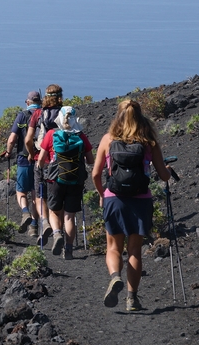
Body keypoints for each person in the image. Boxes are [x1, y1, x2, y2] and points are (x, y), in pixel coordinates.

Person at [91, 98, 172, 312]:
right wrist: (168, 170)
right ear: (140, 117)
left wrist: (102, 194)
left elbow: (95, 174)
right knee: (135, 250)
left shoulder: (108, 140)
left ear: (118, 116)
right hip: (141, 200)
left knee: (113, 247)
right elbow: (163, 176)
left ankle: (115, 277)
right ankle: (131, 299)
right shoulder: (148, 141)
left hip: (114, 199)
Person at [37, 106, 93, 259]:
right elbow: (90, 160)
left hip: (55, 179)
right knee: (69, 216)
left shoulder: (51, 134)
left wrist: (41, 171)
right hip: (75, 181)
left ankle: (56, 234)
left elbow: (41, 160)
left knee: (54, 211)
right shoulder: (81, 136)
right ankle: (68, 250)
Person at [25, 84, 64, 241]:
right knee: (58, 196)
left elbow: (28, 139)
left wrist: (32, 153)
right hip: (62, 160)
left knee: (41, 195)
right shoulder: (65, 112)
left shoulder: (38, 114)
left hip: (41, 159)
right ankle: (58, 231)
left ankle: (45, 222)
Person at [3, 91, 41, 237]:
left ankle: (25, 213)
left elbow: (12, 139)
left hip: (24, 159)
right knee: (36, 194)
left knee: (21, 191)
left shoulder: (22, 116)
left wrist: (8, 152)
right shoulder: (44, 115)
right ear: (41, 102)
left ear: (27, 102)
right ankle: (34, 226)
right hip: (40, 160)